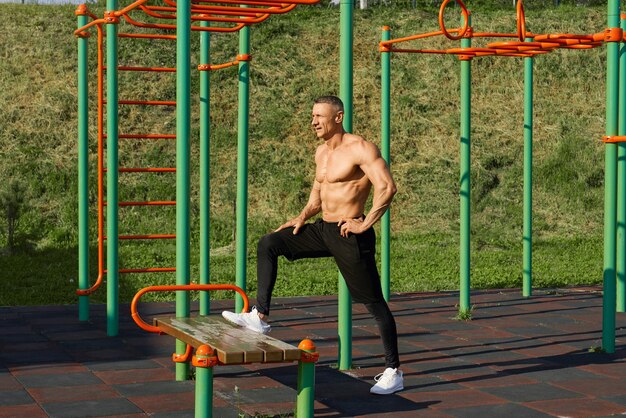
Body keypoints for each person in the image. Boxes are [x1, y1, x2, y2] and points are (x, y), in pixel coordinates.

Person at [222, 95, 403, 395]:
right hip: (322, 230)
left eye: (319, 116)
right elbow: (317, 195)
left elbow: (387, 186)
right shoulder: (322, 153)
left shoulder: (360, 148)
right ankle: (260, 316)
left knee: (373, 302)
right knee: (269, 243)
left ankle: (394, 370)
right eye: (312, 116)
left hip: (350, 233)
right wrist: (301, 217)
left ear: (339, 117)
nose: (314, 121)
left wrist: (364, 223)